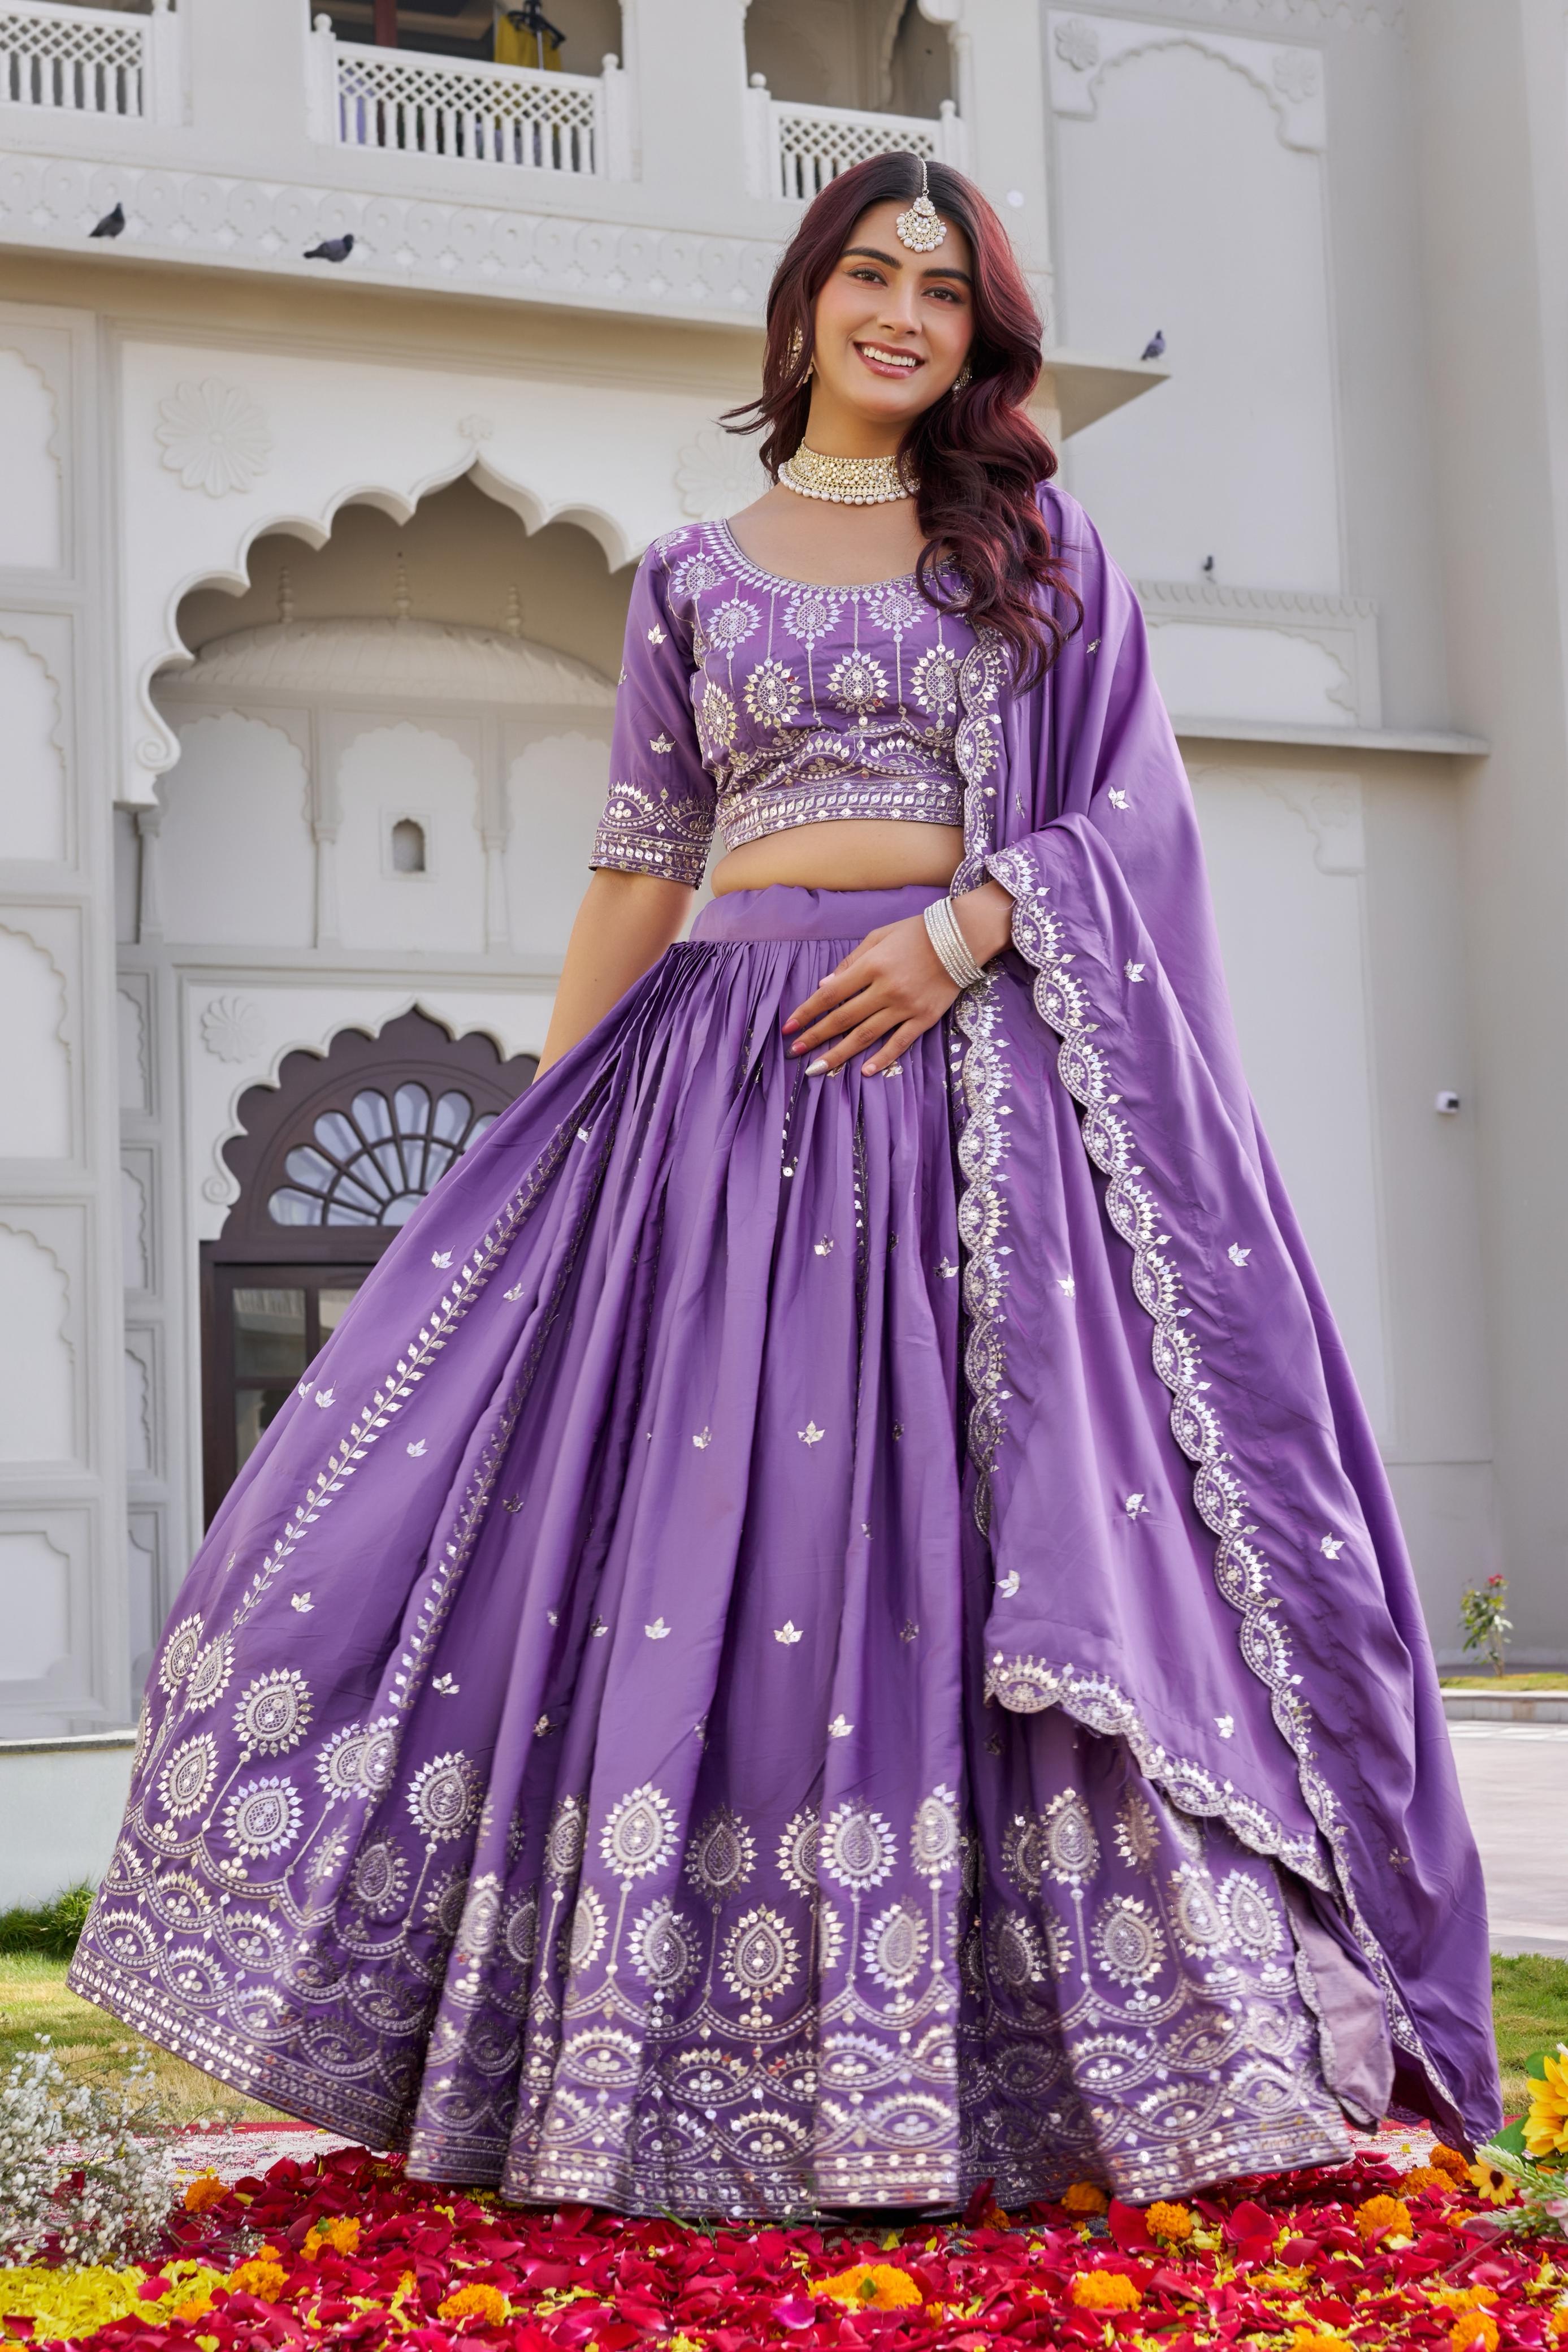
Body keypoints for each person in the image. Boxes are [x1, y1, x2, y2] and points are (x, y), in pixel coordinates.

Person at [71, 155, 1500, 2221]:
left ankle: (1025, 2070)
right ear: (806, 300)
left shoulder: (1028, 552)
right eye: (870, 274)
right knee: (696, 1544)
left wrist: (973, 926)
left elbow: (1136, 816)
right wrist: (543, 1147)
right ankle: (665, 2069)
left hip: (958, 1100)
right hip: (714, 1104)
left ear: (973, 337)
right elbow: (641, 867)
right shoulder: (687, 580)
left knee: (946, 1532)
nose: (903, 314)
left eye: (942, 288)